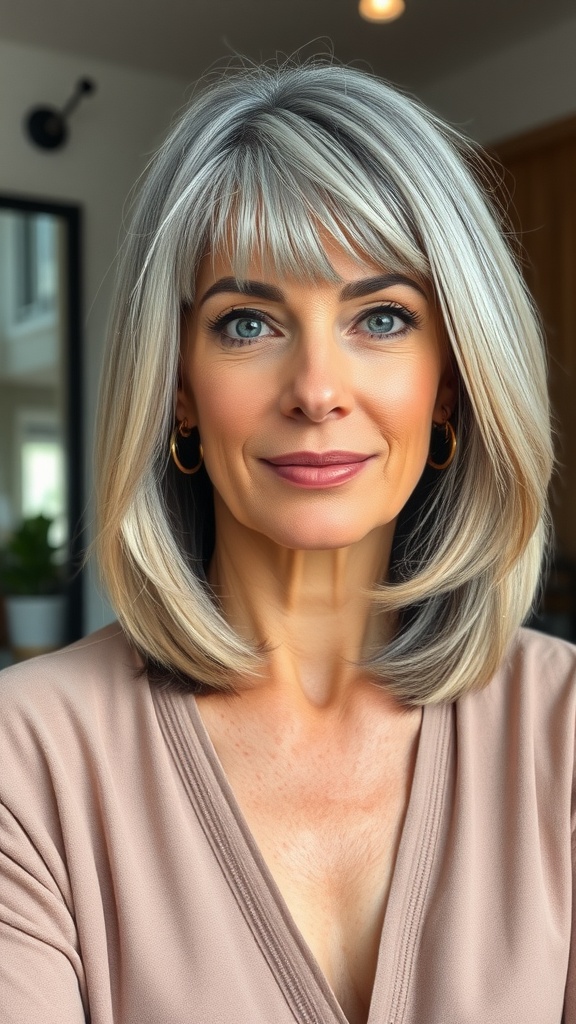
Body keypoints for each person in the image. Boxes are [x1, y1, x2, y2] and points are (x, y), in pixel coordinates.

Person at [1, 59, 575, 1024]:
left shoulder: (564, 734)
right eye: (249, 323)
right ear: (178, 389)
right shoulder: (26, 759)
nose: (316, 389)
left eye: (381, 317)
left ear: (449, 385)